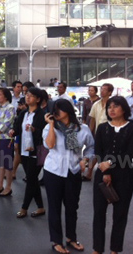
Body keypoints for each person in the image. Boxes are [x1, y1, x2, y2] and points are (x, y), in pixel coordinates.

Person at [43, 99, 94, 254]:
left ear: (68, 110)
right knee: (54, 207)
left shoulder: (82, 129)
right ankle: (56, 241)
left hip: (73, 171)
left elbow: (91, 147)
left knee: (72, 208)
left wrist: (85, 159)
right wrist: (51, 125)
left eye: (59, 109)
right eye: (54, 109)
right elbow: (49, 145)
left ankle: (71, 238)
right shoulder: (50, 128)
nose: (55, 112)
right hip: (54, 171)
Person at [92, 96, 133, 254]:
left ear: (124, 108)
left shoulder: (131, 127)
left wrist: (111, 163)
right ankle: (97, 248)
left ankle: (115, 249)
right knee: (99, 213)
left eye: (116, 106)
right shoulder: (102, 128)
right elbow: (98, 150)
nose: (112, 109)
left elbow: (130, 153)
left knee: (120, 214)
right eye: (109, 107)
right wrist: (106, 170)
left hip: (125, 175)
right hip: (102, 175)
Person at [11, 87, 46, 219]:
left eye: (31, 96)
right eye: (27, 95)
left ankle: (24, 208)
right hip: (24, 151)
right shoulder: (24, 113)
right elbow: (17, 127)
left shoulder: (42, 115)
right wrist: (13, 132)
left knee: (31, 179)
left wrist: (33, 129)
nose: (27, 97)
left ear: (37, 99)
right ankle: (41, 207)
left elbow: (44, 133)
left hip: (37, 151)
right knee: (32, 180)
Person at [84, 83, 114, 181]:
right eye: (101, 89)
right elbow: (92, 120)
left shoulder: (113, 105)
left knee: (108, 154)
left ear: (110, 92)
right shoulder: (96, 104)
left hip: (111, 134)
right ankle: (89, 173)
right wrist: (90, 133)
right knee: (96, 153)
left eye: (104, 89)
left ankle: (107, 172)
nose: (102, 91)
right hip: (98, 134)